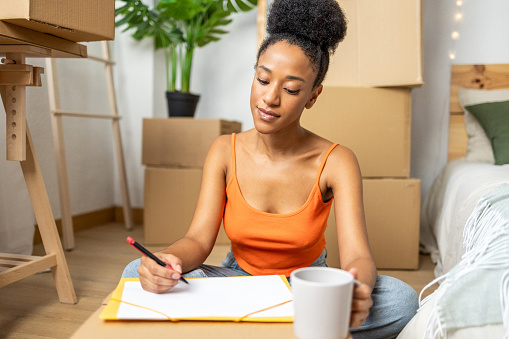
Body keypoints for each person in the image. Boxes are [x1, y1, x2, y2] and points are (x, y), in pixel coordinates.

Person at [122, 0, 418, 337]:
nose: (270, 99)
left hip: (304, 289)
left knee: (402, 300)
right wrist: (167, 261)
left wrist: (356, 290)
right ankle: (284, 327)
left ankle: (250, 325)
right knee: (136, 272)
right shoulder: (224, 150)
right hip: (239, 285)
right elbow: (197, 240)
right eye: (263, 80)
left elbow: (358, 256)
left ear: (312, 95)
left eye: (291, 89)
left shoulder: (337, 161)